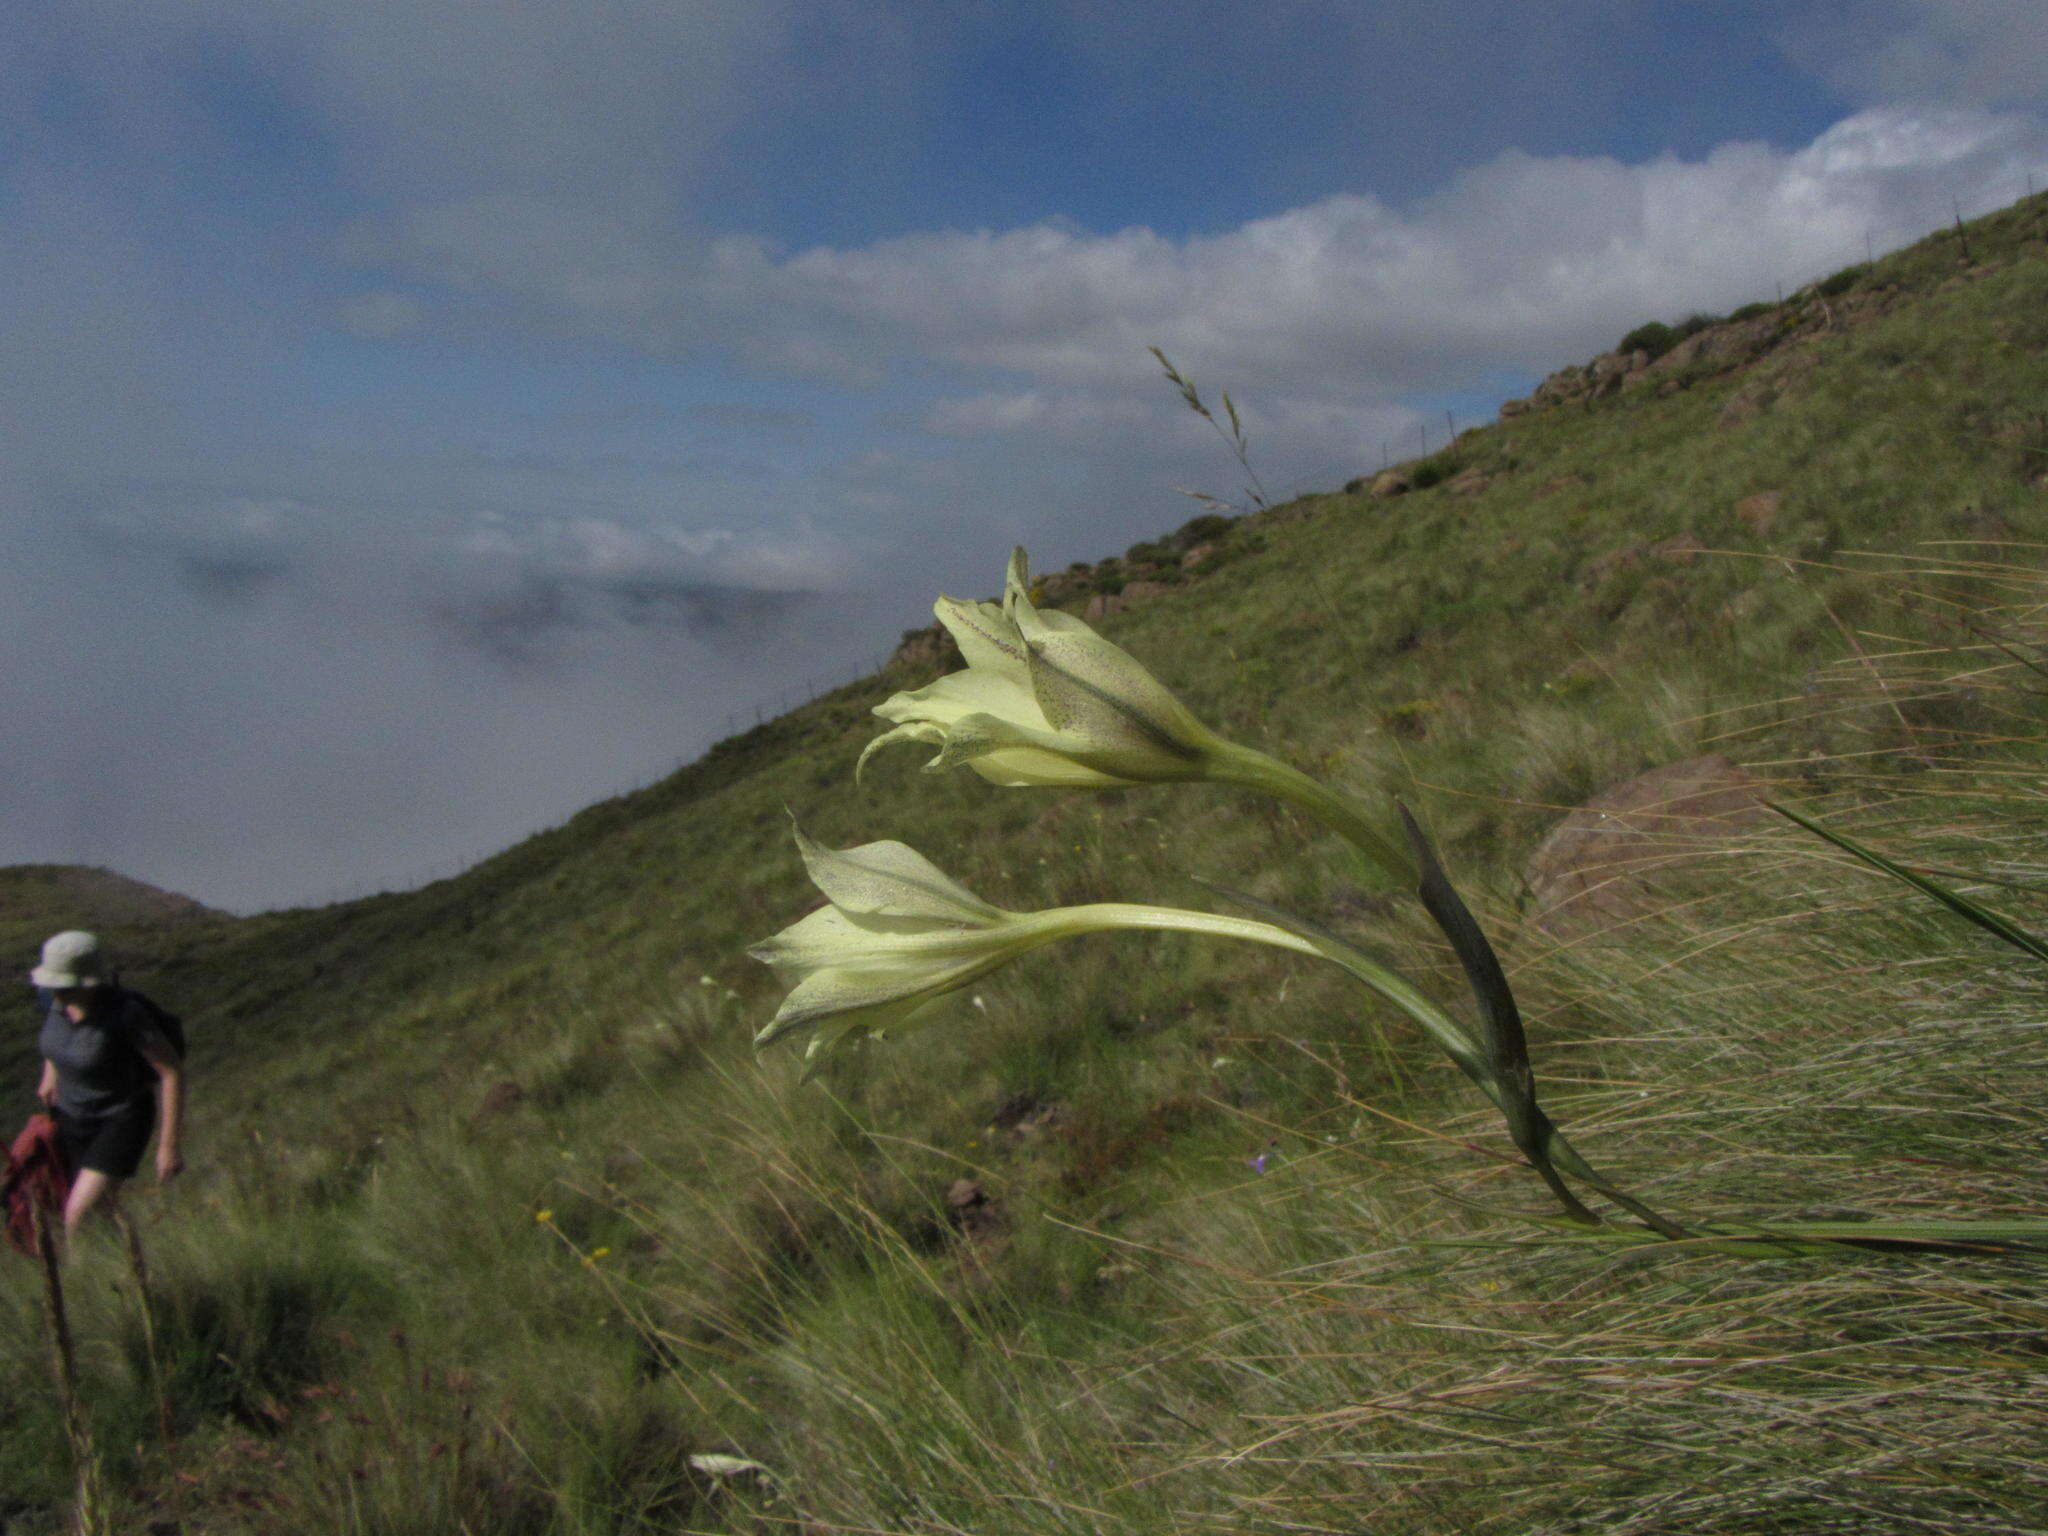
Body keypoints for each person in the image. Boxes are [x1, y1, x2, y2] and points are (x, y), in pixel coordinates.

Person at [29, 930, 185, 1236]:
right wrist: (50, 1074)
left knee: (78, 1217)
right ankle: (131, 1275)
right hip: (70, 1119)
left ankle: (80, 1283)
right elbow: (57, 1042)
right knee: (94, 1214)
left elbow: (171, 1073)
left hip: (121, 1119)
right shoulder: (54, 1000)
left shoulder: (126, 1015)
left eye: (66, 985)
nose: (58, 992)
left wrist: (169, 1146)